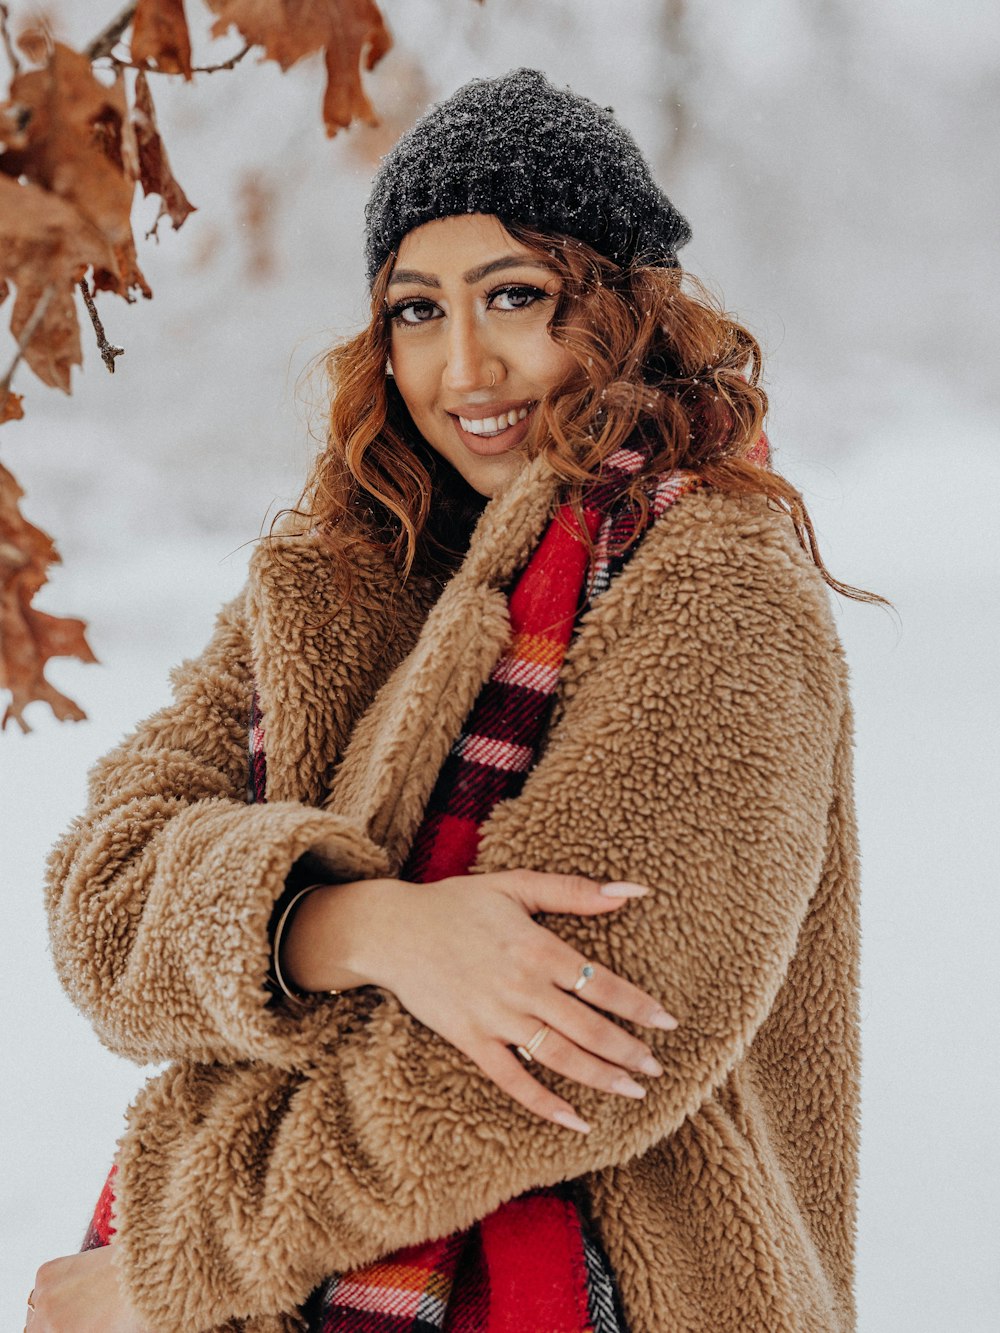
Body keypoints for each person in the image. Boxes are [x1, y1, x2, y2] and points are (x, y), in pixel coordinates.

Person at [27, 68, 869, 1333]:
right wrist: (359, 924)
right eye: (415, 310)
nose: (462, 364)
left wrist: (174, 1271)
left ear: (630, 311)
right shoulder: (335, 574)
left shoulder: (716, 583)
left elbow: (579, 1047)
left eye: (516, 298)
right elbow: (104, 902)